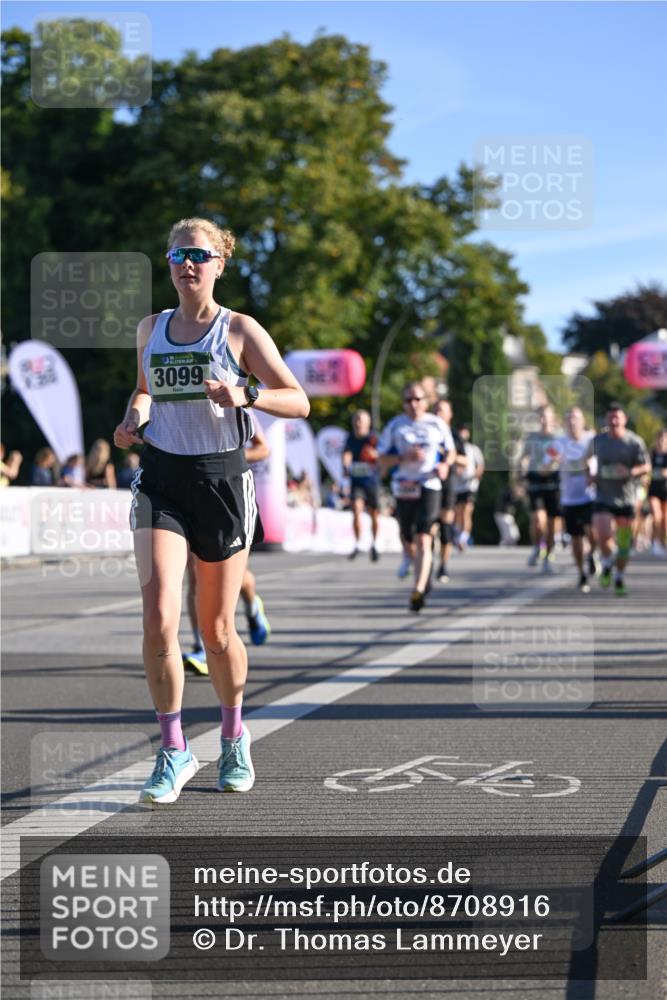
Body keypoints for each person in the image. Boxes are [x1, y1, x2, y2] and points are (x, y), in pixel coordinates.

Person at [113, 217, 308, 805]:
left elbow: (297, 401)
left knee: (219, 631)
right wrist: (133, 418)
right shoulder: (151, 327)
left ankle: (233, 735)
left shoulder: (240, 330)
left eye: (198, 253)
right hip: (163, 481)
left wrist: (246, 393)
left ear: (219, 263)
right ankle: (173, 750)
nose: (186, 263)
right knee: (158, 618)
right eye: (176, 253)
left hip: (222, 480)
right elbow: (144, 388)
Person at [182, 423, 273, 676]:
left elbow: (263, 449)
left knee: (234, 577)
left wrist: (224, 458)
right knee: (195, 575)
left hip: (227, 493)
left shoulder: (232, 393)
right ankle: (201, 646)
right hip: (188, 491)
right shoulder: (179, 393)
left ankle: (253, 606)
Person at [377, 381, 454, 612]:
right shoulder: (395, 426)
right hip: (403, 487)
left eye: (418, 399)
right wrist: (402, 457)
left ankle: (418, 591)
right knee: (408, 539)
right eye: (409, 400)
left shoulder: (437, 424)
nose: (413, 404)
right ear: (403, 403)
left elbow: (450, 452)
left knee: (424, 537)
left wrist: (445, 466)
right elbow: (381, 458)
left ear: (426, 402)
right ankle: (421, 569)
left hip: (429, 484)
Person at [586, 402, 651, 596]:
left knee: (623, 547)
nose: (614, 421)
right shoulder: (598, 441)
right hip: (603, 496)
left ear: (624, 420)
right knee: (604, 537)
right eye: (610, 417)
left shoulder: (634, 442)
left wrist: (629, 471)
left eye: (617, 417)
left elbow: (646, 467)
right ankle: (606, 563)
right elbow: (586, 463)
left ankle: (619, 575)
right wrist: (589, 476)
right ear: (606, 420)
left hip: (626, 498)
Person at [557, 407, 598, 593]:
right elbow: (546, 463)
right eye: (569, 419)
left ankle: (592, 554)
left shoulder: (591, 440)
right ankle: (582, 573)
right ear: (565, 423)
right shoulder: (559, 442)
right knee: (575, 539)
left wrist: (592, 472)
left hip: (590, 495)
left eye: (576, 419)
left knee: (593, 533)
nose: (573, 422)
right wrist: (550, 462)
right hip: (569, 498)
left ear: (582, 421)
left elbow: (598, 464)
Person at [520, 404, 562, 574]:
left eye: (547, 415)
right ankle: (537, 546)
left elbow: (563, 457)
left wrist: (555, 462)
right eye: (541, 416)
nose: (544, 419)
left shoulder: (559, 438)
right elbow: (523, 457)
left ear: (552, 418)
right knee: (538, 519)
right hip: (535, 480)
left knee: (552, 522)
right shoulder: (532, 438)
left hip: (553, 482)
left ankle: (548, 555)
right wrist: (520, 473)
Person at [430, 399, 462, 582]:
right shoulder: (426, 432)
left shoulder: (454, 437)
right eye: (435, 410)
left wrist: (452, 457)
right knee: (428, 525)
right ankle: (427, 559)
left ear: (450, 415)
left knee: (445, 527)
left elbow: (465, 461)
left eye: (442, 411)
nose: (438, 414)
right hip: (427, 483)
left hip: (447, 484)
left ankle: (443, 565)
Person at [342, 409, 380, 561]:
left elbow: (382, 456)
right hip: (356, 482)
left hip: (372, 482)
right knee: (356, 511)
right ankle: (357, 544)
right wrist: (346, 465)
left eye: (361, 420)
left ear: (368, 423)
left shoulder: (373, 438)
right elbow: (347, 454)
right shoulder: (350, 438)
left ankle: (375, 544)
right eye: (356, 420)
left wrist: (375, 456)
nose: (358, 423)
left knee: (374, 515)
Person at [452, 425, 485, 550]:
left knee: (467, 511)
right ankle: (458, 533)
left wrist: (475, 476)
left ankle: (463, 538)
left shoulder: (473, 449)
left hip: (469, 485)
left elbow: (480, 465)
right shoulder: (454, 448)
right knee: (457, 513)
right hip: (456, 486)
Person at [648, 428, 667, 557]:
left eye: (664, 438)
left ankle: (662, 543)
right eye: (660, 438)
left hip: (665, 490)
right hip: (654, 489)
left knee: (665, 521)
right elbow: (646, 468)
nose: (662, 441)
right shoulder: (652, 454)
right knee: (656, 517)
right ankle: (655, 543)